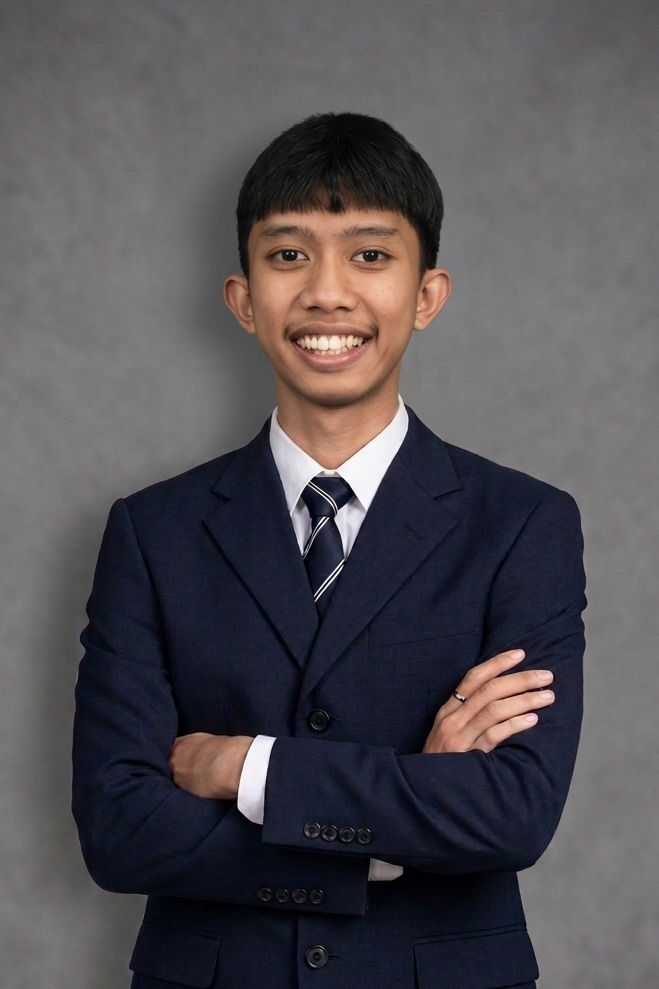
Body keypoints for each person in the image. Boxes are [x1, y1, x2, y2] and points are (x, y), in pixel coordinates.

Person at [72, 112, 586, 989]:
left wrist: (245, 765)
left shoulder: (520, 523)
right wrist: (394, 823)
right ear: (243, 299)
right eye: (288, 255)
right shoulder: (152, 531)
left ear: (426, 295)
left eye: (370, 255)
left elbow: (510, 813)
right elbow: (120, 827)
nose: (327, 293)